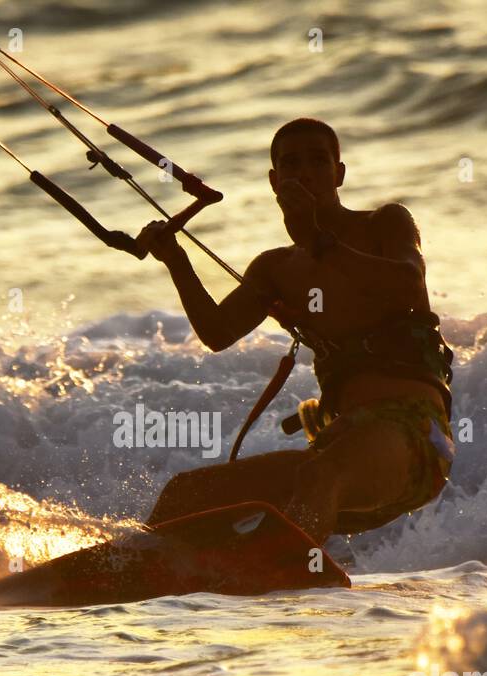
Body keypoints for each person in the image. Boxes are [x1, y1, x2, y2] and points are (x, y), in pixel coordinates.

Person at [135, 117, 455, 545]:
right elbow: (217, 332)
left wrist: (321, 241)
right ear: (275, 180)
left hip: (415, 435)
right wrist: (176, 260)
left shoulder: (384, 224)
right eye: (291, 164)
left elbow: (407, 285)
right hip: (344, 443)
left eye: (318, 161)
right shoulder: (276, 268)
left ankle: (287, 585)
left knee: (320, 474)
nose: (304, 172)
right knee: (185, 494)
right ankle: (141, 578)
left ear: (339, 173)